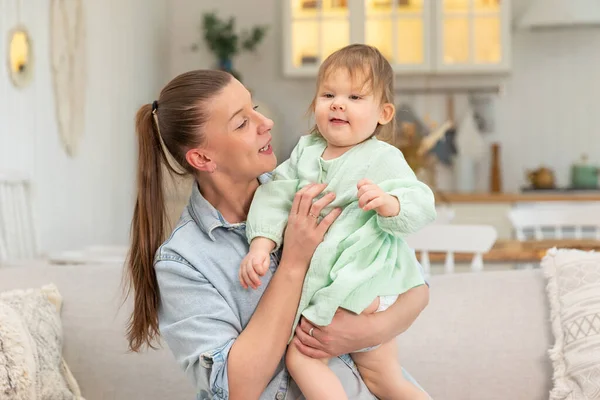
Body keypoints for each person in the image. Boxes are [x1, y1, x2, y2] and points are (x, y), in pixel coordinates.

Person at [124, 68, 431, 400]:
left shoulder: (312, 187)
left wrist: (366, 331)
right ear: (202, 157)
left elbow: (414, 285)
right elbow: (237, 388)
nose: (265, 123)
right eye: (242, 122)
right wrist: (294, 262)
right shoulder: (184, 261)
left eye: (254, 107)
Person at [239, 44, 435, 400]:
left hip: (362, 275)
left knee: (301, 355)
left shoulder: (383, 158)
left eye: (355, 96)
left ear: (384, 113)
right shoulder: (306, 152)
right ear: (314, 105)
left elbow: (421, 201)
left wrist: (392, 204)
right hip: (350, 283)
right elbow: (275, 195)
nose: (338, 103)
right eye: (328, 94)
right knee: (384, 381)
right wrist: (261, 244)